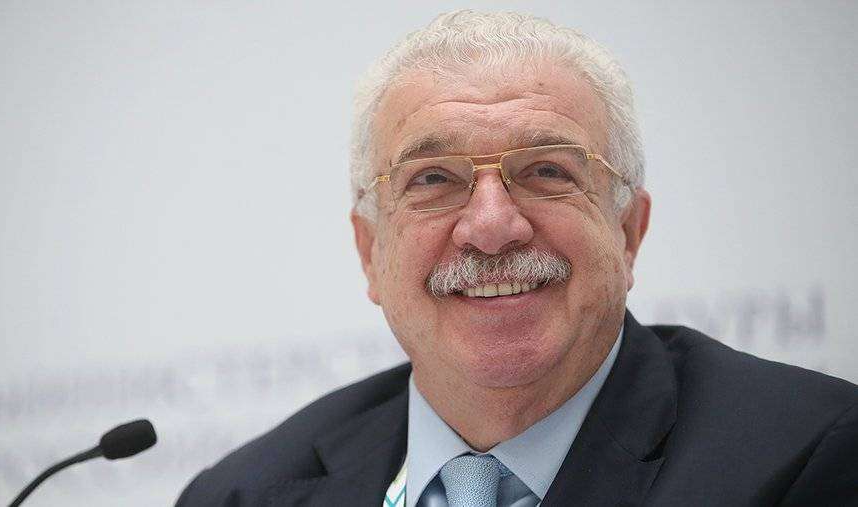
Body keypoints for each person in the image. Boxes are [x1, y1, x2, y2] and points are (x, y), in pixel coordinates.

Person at [176, 10, 858, 506]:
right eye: (434, 179)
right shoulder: (242, 495)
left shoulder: (804, 458)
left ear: (627, 232)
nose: (492, 227)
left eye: (546, 171)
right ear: (370, 251)